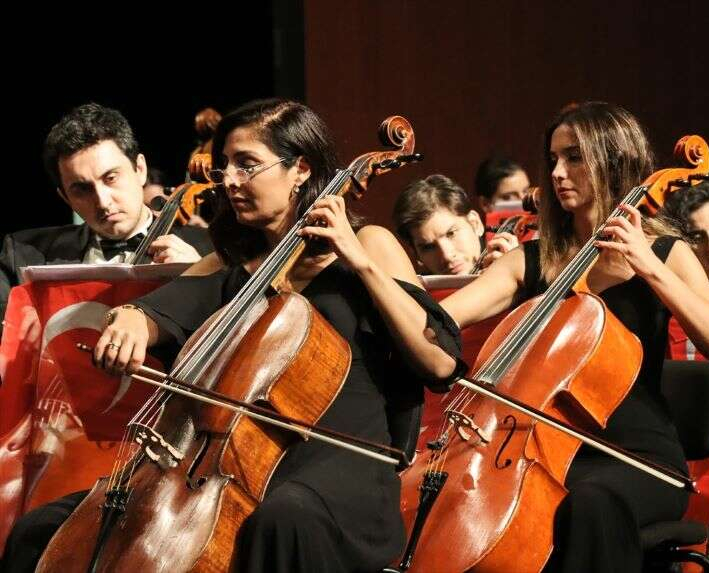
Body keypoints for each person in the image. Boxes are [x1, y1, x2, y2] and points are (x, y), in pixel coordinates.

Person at [0, 98, 462, 573]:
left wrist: (359, 262)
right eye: (226, 167)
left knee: (283, 518)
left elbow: (439, 362)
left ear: (300, 169)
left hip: (341, 463)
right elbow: (167, 308)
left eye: (247, 165)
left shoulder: (369, 245)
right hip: (236, 460)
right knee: (40, 529)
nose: (230, 181)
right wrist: (133, 319)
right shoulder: (232, 262)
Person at [439, 101, 709, 572]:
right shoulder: (532, 260)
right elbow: (440, 319)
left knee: (585, 503)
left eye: (575, 158)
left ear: (614, 161)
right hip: (539, 454)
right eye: (554, 158)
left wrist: (649, 266)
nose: (558, 173)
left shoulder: (665, 252)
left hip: (639, 459)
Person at [0, 103, 213, 339]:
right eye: (82, 189)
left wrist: (200, 284)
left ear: (140, 169)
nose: (102, 202)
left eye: (110, 178)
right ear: (65, 197)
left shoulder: (212, 252)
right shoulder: (22, 253)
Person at [393, 174, 518, 274]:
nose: (446, 256)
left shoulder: (509, 266)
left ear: (475, 224)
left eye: (451, 233)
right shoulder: (416, 301)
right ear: (416, 254)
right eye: (428, 247)